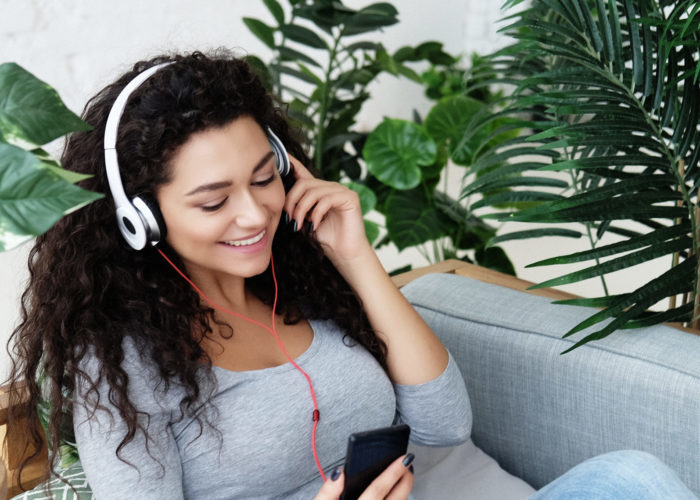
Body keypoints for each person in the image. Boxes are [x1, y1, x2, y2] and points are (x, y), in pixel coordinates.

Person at [5, 51, 698, 500]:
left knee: (636, 476)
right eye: (213, 200)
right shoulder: (123, 366)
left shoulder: (307, 281)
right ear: (139, 217)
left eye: (263, 177)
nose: (255, 213)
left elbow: (446, 424)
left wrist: (357, 257)